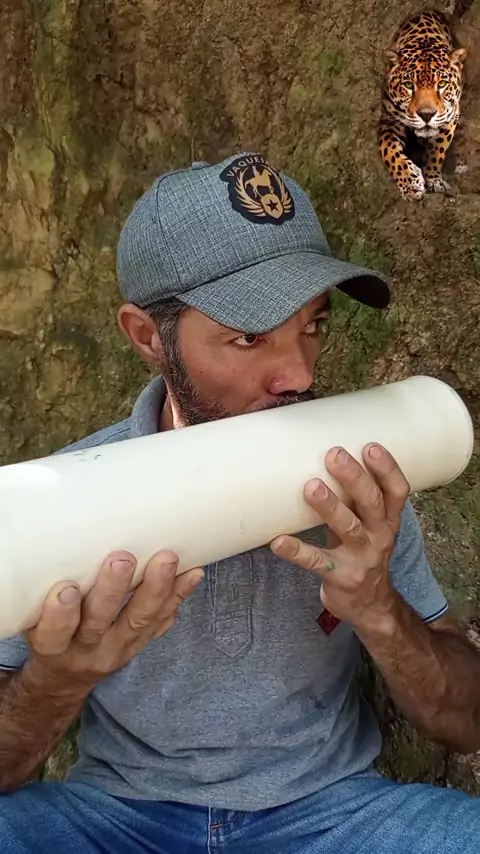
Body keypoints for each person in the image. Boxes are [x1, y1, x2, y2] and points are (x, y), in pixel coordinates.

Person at [0, 152, 479, 854]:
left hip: (330, 818)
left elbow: (466, 723)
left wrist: (380, 610)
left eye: (313, 325)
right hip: (115, 820)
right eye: (249, 337)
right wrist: (57, 679)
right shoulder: (63, 498)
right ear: (147, 336)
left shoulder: (359, 477)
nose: (299, 375)